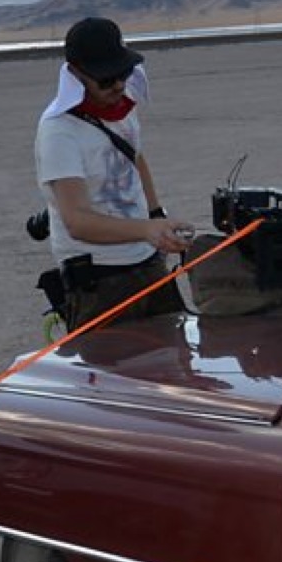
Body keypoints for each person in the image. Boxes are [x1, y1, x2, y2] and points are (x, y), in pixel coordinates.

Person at [36, 16, 190, 328]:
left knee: (173, 367)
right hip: (100, 281)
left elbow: (135, 157)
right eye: (106, 79)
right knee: (114, 374)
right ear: (77, 75)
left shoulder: (122, 109)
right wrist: (146, 229)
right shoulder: (59, 132)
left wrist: (155, 214)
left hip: (149, 265)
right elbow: (77, 222)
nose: (118, 85)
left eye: (122, 73)